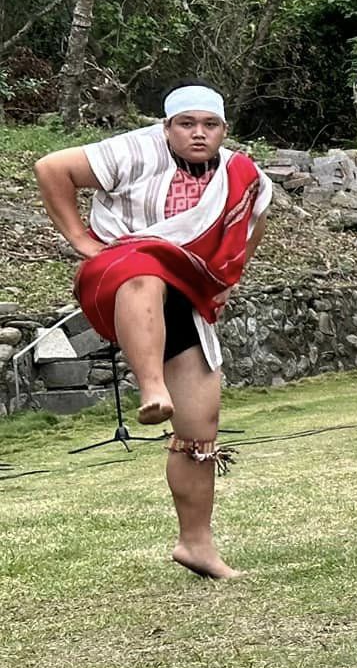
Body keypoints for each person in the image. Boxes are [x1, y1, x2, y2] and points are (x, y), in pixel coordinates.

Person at [32, 82, 273, 579]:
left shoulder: (240, 173)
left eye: (210, 125)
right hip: (119, 275)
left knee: (199, 430)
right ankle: (151, 387)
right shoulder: (135, 150)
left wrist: (230, 279)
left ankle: (195, 544)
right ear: (166, 127)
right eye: (187, 124)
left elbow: (255, 218)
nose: (199, 133)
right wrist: (80, 238)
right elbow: (52, 168)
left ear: (224, 129)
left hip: (189, 293)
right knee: (144, 271)